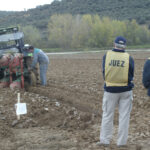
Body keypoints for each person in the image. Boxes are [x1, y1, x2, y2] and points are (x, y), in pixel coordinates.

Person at [97, 36, 134, 147]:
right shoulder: (129, 58)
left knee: (107, 115)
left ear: (114, 44)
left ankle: (105, 141)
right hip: (126, 90)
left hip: (110, 90)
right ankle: (122, 143)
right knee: (124, 117)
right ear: (124, 46)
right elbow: (131, 75)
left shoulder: (106, 56)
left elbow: (104, 72)